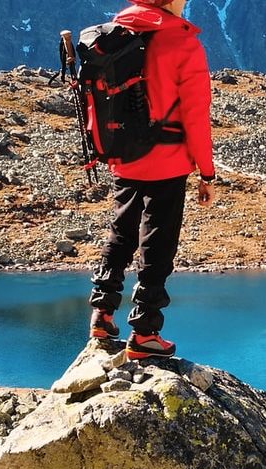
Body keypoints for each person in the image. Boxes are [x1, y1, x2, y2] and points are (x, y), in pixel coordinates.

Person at [87, 0, 215, 360]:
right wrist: (206, 172)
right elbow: (195, 113)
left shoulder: (118, 32)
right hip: (168, 160)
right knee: (157, 242)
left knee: (121, 230)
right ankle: (145, 332)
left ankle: (102, 313)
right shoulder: (182, 42)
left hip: (124, 156)